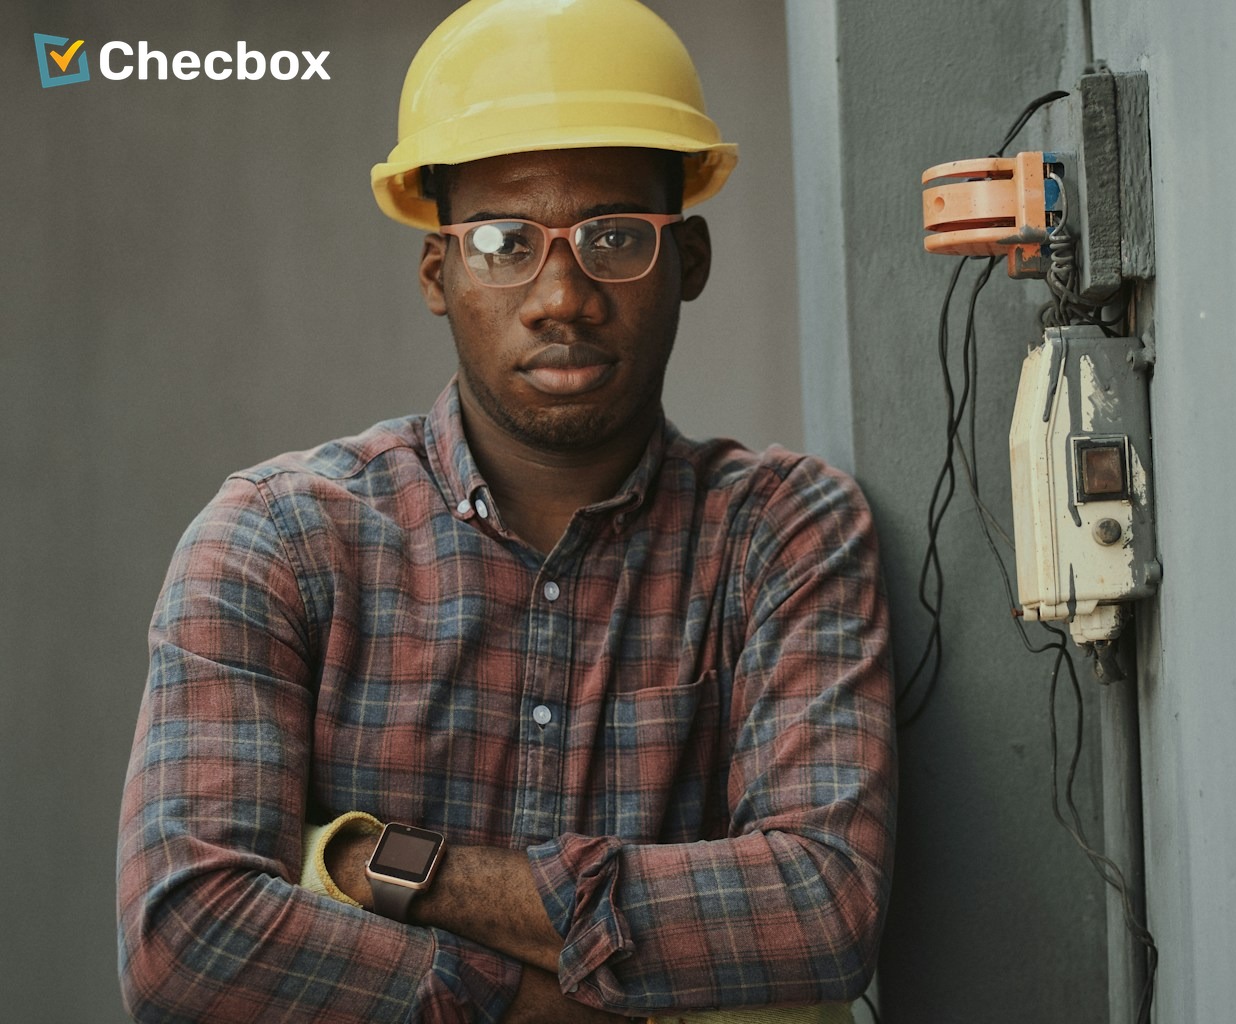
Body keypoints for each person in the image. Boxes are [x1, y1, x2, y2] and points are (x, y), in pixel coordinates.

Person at [114, 2, 896, 1021]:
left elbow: (822, 910)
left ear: (690, 260)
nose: (561, 295)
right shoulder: (279, 542)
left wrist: (382, 865)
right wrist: (520, 1002)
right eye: (501, 241)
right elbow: (188, 939)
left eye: (615, 237)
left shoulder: (782, 533)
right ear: (438, 272)